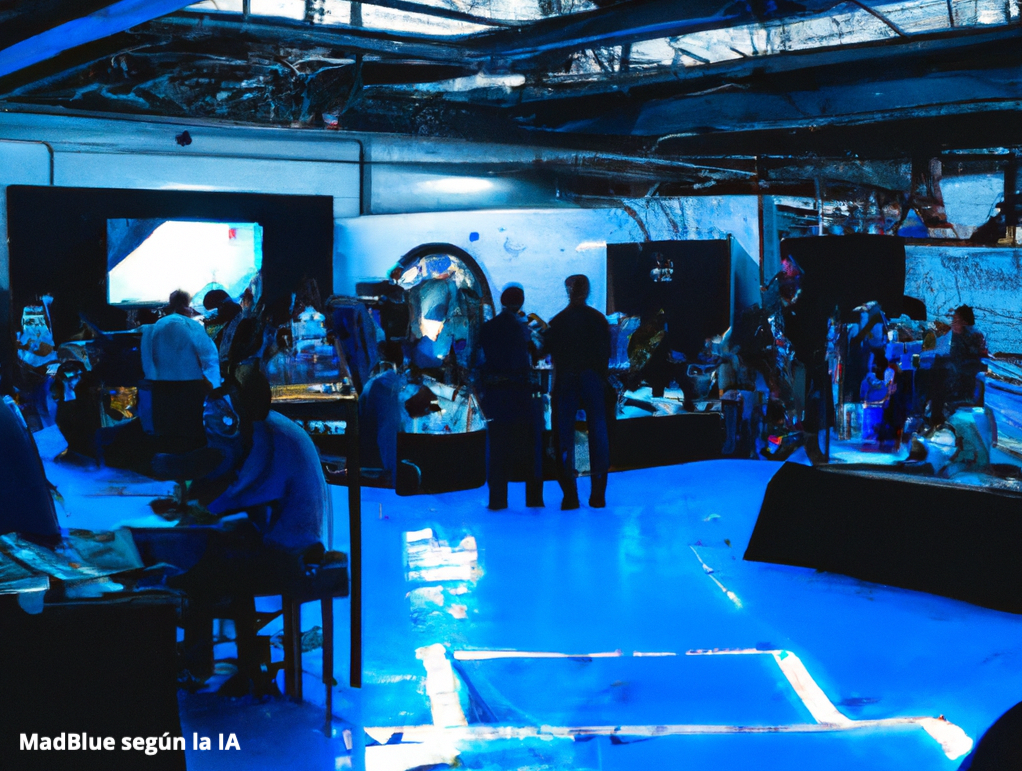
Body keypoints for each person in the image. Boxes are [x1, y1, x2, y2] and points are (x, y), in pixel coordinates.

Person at [175, 368, 327, 695]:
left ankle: (205, 664)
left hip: (293, 549)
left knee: (201, 571)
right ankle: (231, 658)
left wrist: (189, 505)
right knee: (216, 556)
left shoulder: (267, 433)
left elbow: (239, 494)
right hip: (294, 539)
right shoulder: (271, 426)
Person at [544, 274, 611, 510]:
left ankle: (570, 496)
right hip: (593, 378)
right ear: (587, 291)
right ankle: (598, 495)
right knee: (598, 435)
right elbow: (606, 353)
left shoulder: (558, 321)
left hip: (566, 380)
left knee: (564, 437)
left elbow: (546, 351)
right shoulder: (598, 319)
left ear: (568, 291)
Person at [478, 284, 544, 510]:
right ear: (521, 301)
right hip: (521, 395)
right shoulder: (523, 328)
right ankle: (534, 500)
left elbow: (479, 360)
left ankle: (497, 499)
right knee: (530, 448)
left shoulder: (488, 328)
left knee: (498, 449)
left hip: (496, 396)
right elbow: (536, 353)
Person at [141, 290, 221, 388]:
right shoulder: (192, 326)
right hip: (189, 382)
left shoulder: (158, 325)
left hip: (161, 383)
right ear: (186, 306)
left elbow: (147, 355)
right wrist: (214, 384)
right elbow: (208, 356)